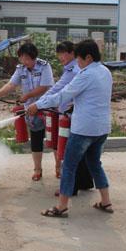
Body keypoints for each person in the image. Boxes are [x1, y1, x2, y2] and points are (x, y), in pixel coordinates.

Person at [26, 39, 114, 217]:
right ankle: (106, 202)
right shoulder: (105, 71)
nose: (77, 63)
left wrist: (38, 105)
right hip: (101, 128)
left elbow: (63, 95)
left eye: (79, 59)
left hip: (84, 129)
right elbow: (93, 96)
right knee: (94, 164)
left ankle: (61, 207)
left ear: (88, 58)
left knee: (68, 166)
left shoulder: (86, 74)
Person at [0, 42, 53, 180]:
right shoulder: (21, 69)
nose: (24, 62)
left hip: (47, 108)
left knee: (53, 140)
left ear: (34, 57)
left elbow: (44, 87)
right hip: (31, 110)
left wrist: (27, 96)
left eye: (27, 59)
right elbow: (11, 84)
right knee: (36, 140)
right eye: (22, 58)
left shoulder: (44, 66)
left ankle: (59, 168)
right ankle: (37, 169)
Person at [38, 41, 80, 178]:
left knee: (67, 148)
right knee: (61, 144)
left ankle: (69, 178)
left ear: (72, 53)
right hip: (63, 114)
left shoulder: (74, 70)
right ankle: (64, 172)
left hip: (71, 116)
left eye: (63, 53)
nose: (60, 57)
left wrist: (39, 103)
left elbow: (58, 89)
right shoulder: (69, 68)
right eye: (59, 54)